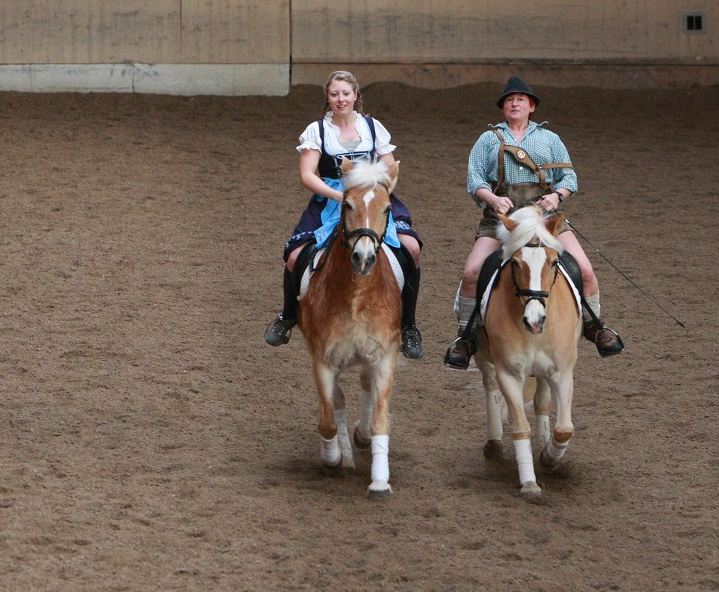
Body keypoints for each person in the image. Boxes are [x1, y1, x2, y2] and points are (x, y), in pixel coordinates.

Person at [443, 76, 624, 370]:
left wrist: (556, 196)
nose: (515, 103)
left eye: (521, 100)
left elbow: (569, 178)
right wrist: (492, 199)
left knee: (586, 270)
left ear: (532, 107)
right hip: (501, 218)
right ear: (503, 107)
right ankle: (466, 335)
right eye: (509, 100)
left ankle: (596, 326)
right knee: (472, 272)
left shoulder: (550, 140)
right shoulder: (488, 139)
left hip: (545, 217)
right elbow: (474, 179)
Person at [264, 70, 423, 359]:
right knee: (294, 255)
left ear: (355, 96)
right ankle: (287, 316)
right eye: (335, 94)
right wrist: (339, 195)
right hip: (333, 197)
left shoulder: (373, 127)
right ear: (328, 97)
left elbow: (390, 168)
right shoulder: (318, 130)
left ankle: (409, 325)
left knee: (411, 248)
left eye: (346, 94)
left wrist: (381, 193)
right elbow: (306, 174)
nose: (341, 99)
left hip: (371, 198)